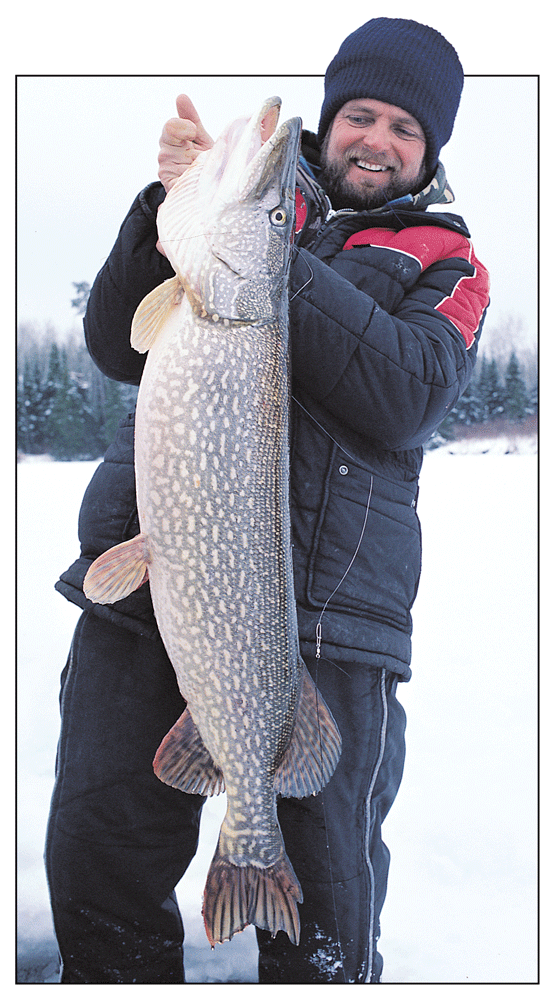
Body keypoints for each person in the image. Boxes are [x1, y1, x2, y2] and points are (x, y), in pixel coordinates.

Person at [46, 17, 490, 984]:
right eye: (359, 114)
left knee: (326, 899)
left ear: (430, 150)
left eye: (403, 128)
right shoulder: (237, 224)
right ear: (331, 121)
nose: (375, 137)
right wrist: (169, 205)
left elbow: (408, 391)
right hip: (152, 586)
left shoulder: (444, 263)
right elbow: (120, 342)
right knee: (100, 848)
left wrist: (263, 251)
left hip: (336, 620)